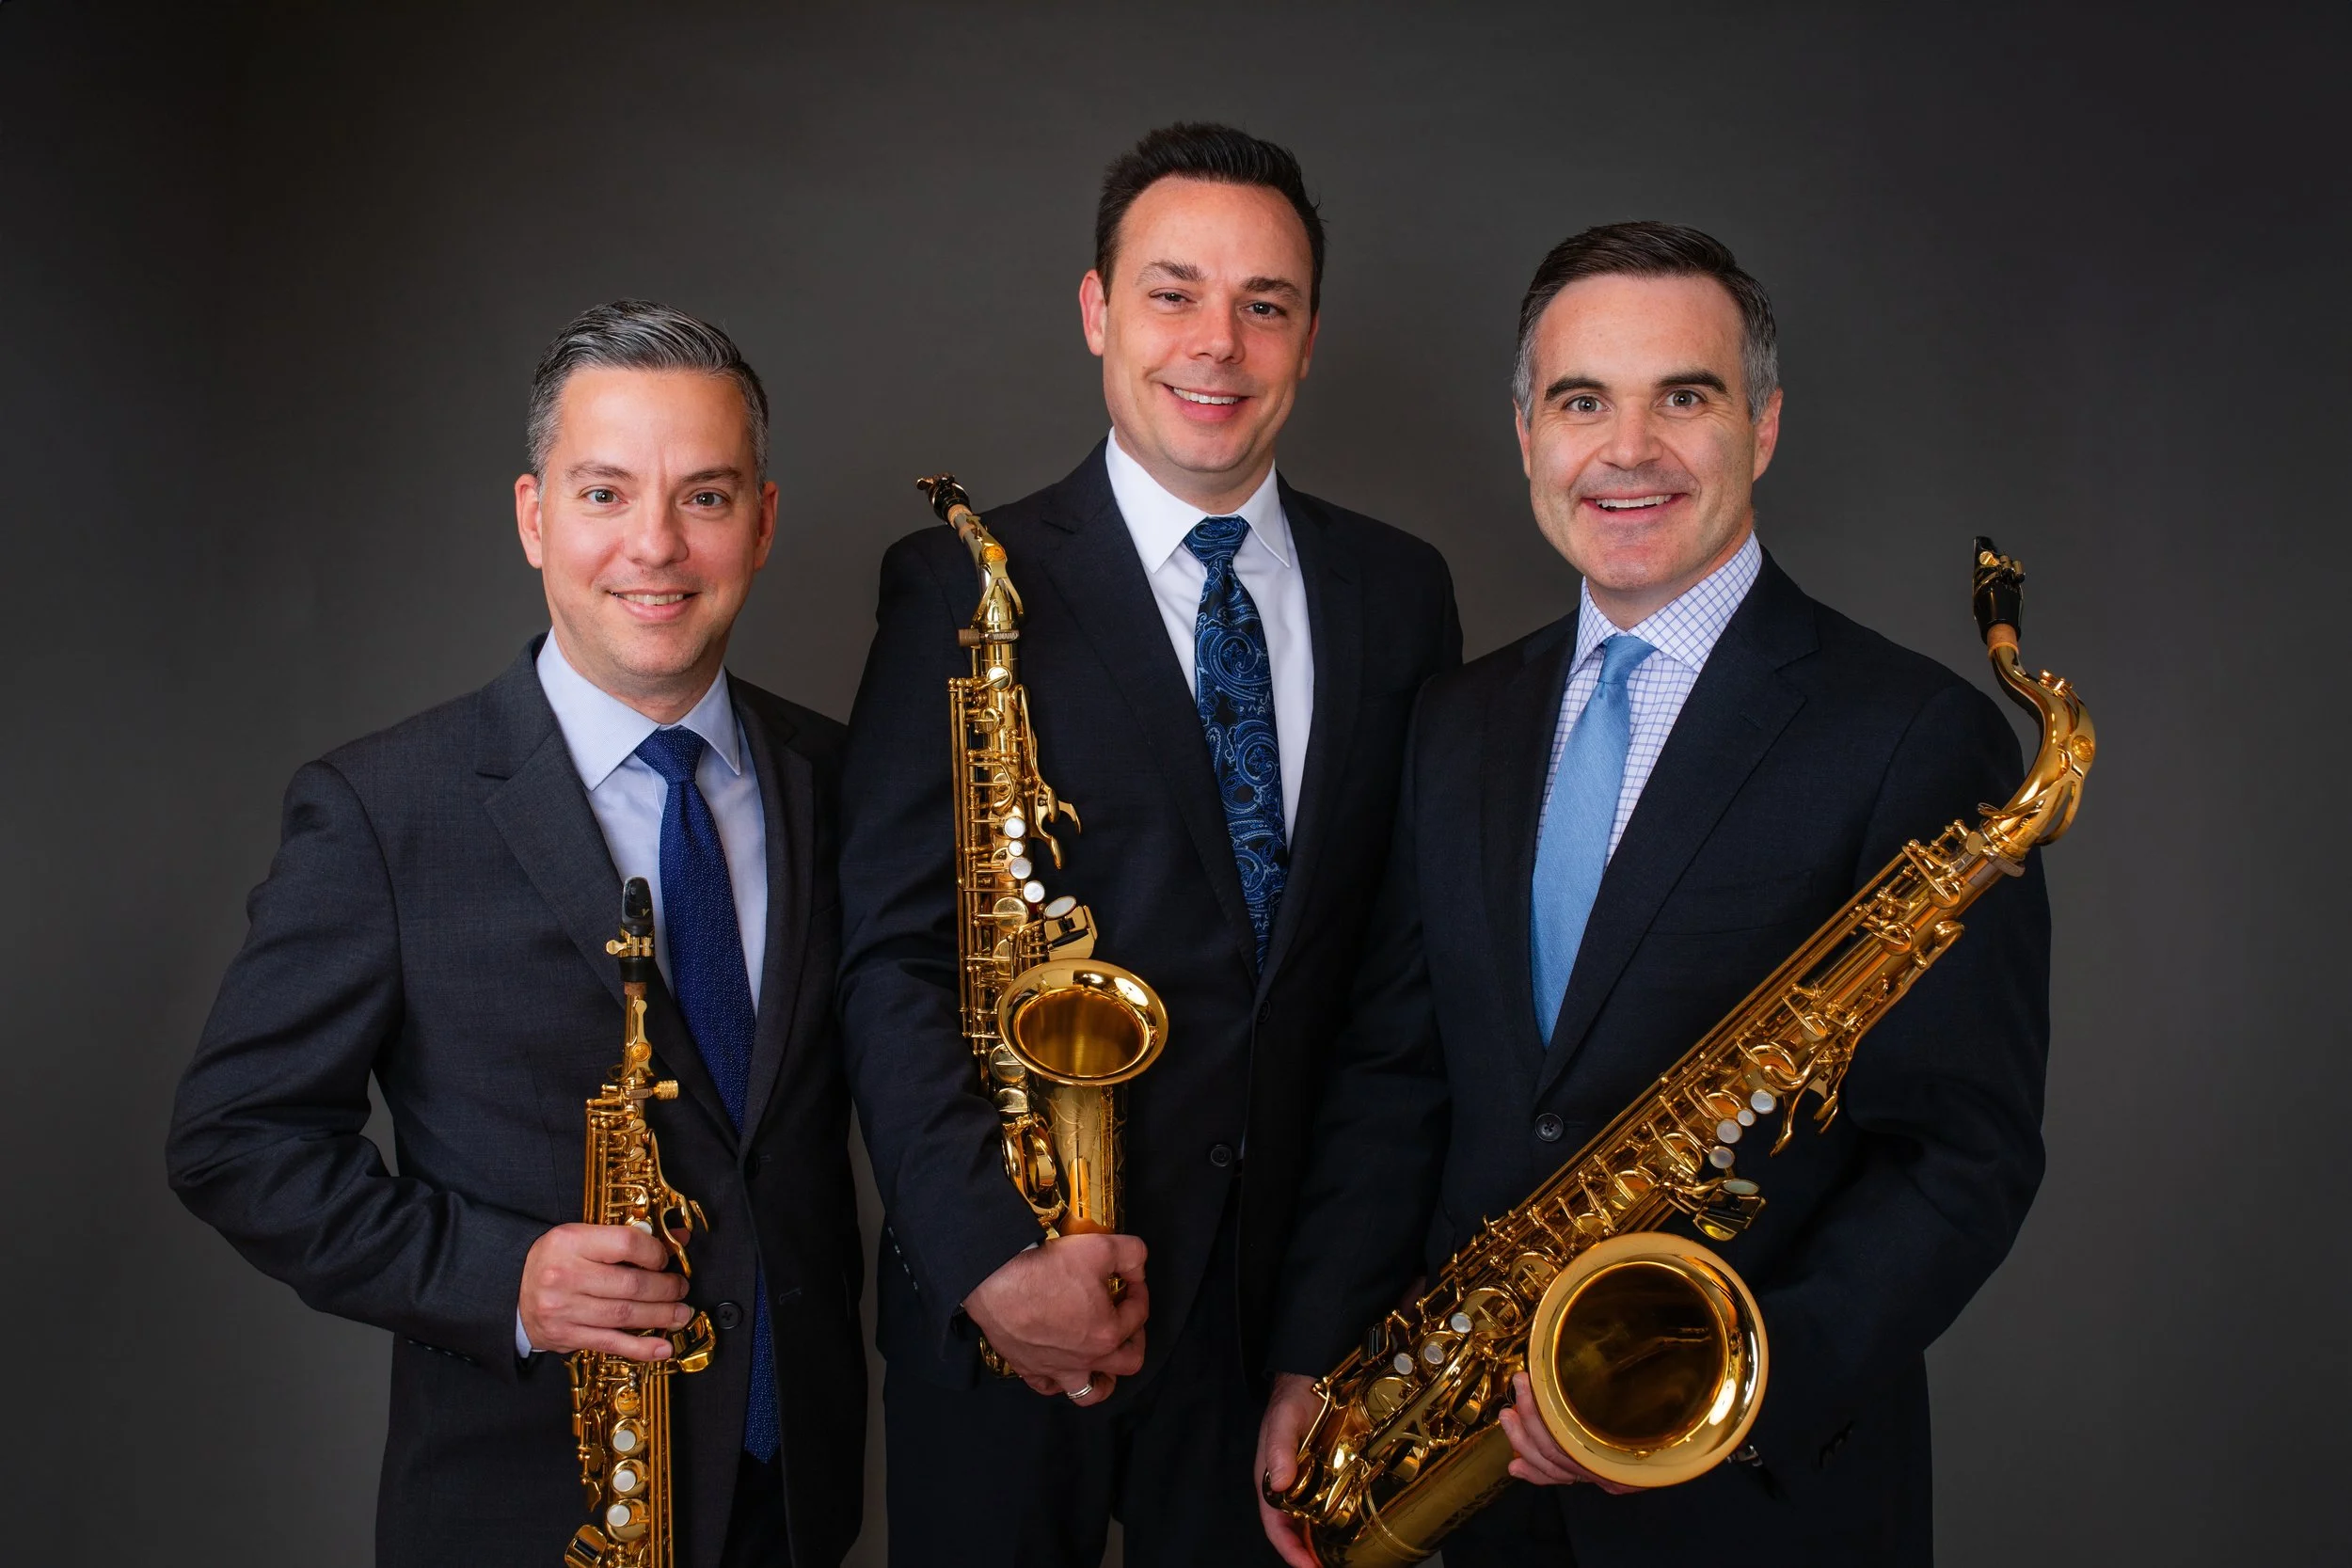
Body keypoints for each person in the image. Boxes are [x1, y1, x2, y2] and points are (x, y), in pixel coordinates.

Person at [1258, 223, 2052, 1567]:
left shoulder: (1915, 734)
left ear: (1766, 424)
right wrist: (1313, 1361)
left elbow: (1966, 1157)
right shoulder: (1455, 720)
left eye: (1683, 396)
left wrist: (1710, 1393)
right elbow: (1400, 1069)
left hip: (1757, 1504)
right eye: (1582, 401)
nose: (1627, 451)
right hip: (1477, 1489)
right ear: (1527, 435)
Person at [837, 122, 1461, 1567]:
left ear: (1311, 338)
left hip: (1282, 1342)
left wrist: (1328, 1332)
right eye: (1174, 292)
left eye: (1267, 303)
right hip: (1011, 1307)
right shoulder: (955, 582)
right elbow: (891, 957)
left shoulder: (1401, 593)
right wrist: (992, 1257)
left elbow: (1396, 991)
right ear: (1097, 312)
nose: (1218, 345)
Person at [167, 302, 863, 1568]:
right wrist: (510, 1279)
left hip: (791, 1496)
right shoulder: (383, 810)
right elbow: (233, 1140)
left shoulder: (840, 777)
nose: (655, 545)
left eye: (704, 497)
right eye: (606, 493)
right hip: (524, 1507)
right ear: (535, 516)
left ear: (762, 521)